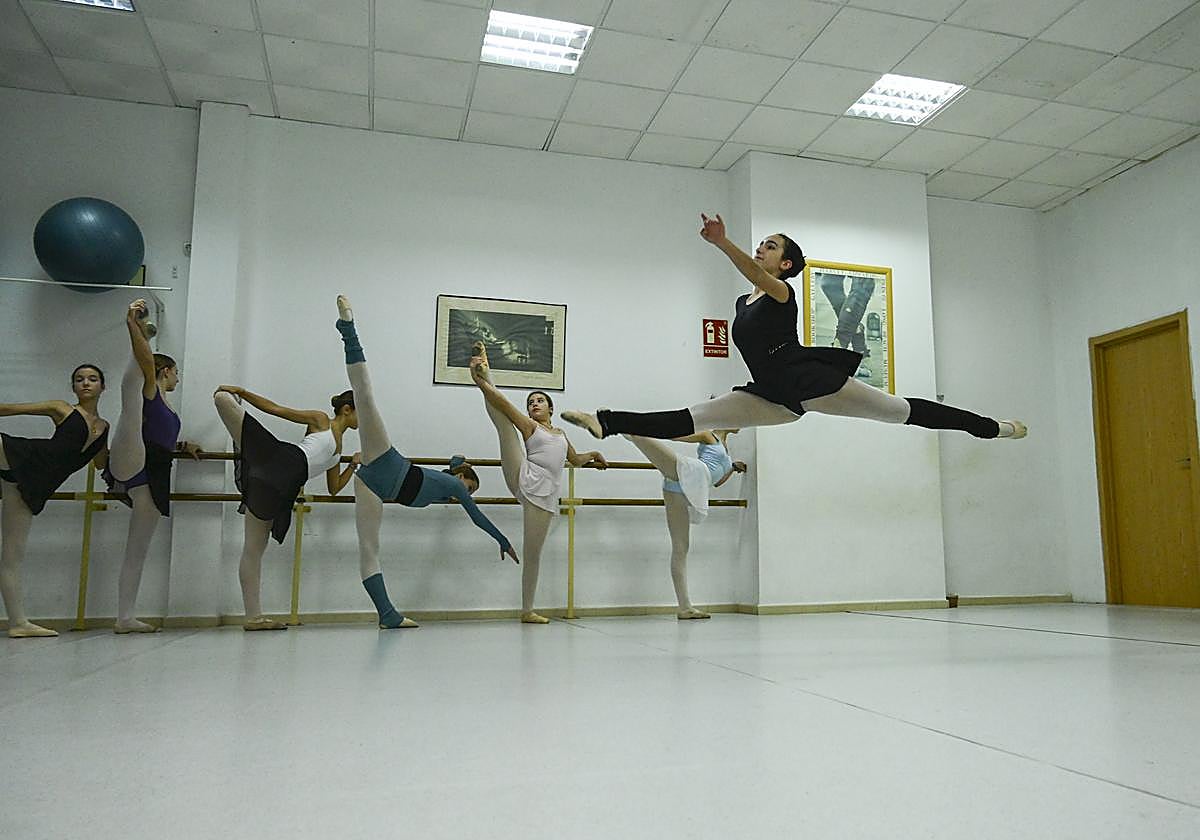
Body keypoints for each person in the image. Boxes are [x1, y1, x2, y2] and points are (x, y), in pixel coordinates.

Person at [564, 213, 1027, 443]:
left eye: (770, 247)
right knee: (696, 417)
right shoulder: (743, 303)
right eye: (760, 244)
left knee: (898, 410)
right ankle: (606, 422)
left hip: (810, 380)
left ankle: (991, 428)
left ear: (785, 264)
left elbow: (755, 276)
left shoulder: (783, 293)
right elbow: (750, 288)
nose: (761, 249)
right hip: (771, 394)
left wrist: (723, 243)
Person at [334, 296, 517, 629]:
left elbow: (457, 461)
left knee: (368, 548)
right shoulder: (449, 484)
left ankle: (387, 615)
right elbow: (476, 516)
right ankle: (348, 330)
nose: (467, 493)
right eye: (469, 486)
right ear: (460, 478)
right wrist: (502, 539)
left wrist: (461, 465)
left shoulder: (442, 487)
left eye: (470, 491)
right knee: (365, 396)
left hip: (370, 485)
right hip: (385, 461)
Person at [469, 341, 607, 623]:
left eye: (539, 401)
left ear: (551, 408)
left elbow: (575, 460)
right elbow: (504, 404)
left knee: (533, 554)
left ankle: (527, 610)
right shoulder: (530, 426)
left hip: (546, 492)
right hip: (524, 475)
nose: (534, 404)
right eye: (530, 402)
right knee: (505, 423)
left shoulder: (560, 434)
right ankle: (484, 369)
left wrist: (593, 454)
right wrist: (481, 383)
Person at [212, 378, 359, 631]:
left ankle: (254, 618)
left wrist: (352, 465)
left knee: (254, 550)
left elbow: (334, 489)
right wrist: (243, 392)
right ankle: (254, 617)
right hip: (279, 458)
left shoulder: (338, 452)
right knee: (222, 398)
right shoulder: (320, 420)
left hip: (279, 487)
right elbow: (277, 409)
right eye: (363, 412)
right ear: (347, 410)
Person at [104, 300, 201, 633]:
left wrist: (182, 446)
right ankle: (132, 323)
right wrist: (136, 327)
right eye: (175, 371)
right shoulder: (150, 388)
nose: (178, 377)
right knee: (130, 407)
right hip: (133, 455)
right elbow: (144, 369)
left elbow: (160, 433)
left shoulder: (168, 407)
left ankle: (124, 617)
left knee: (137, 549)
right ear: (165, 371)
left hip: (150, 474)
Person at [1, 364, 109, 637]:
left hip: (32, 486)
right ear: (73, 387)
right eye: (79, 379)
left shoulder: (105, 427)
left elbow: (100, 463)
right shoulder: (62, 408)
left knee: (12, 556)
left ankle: (18, 623)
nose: (85, 383)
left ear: (102, 387)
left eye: (92, 379)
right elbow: (9, 409)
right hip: (24, 456)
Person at [621, 429, 745, 619]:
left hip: (690, 488)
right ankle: (622, 425)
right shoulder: (709, 436)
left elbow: (718, 481)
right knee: (641, 437)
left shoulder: (726, 448)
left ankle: (685, 607)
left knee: (681, 548)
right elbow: (674, 435)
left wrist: (733, 468)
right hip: (691, 472)